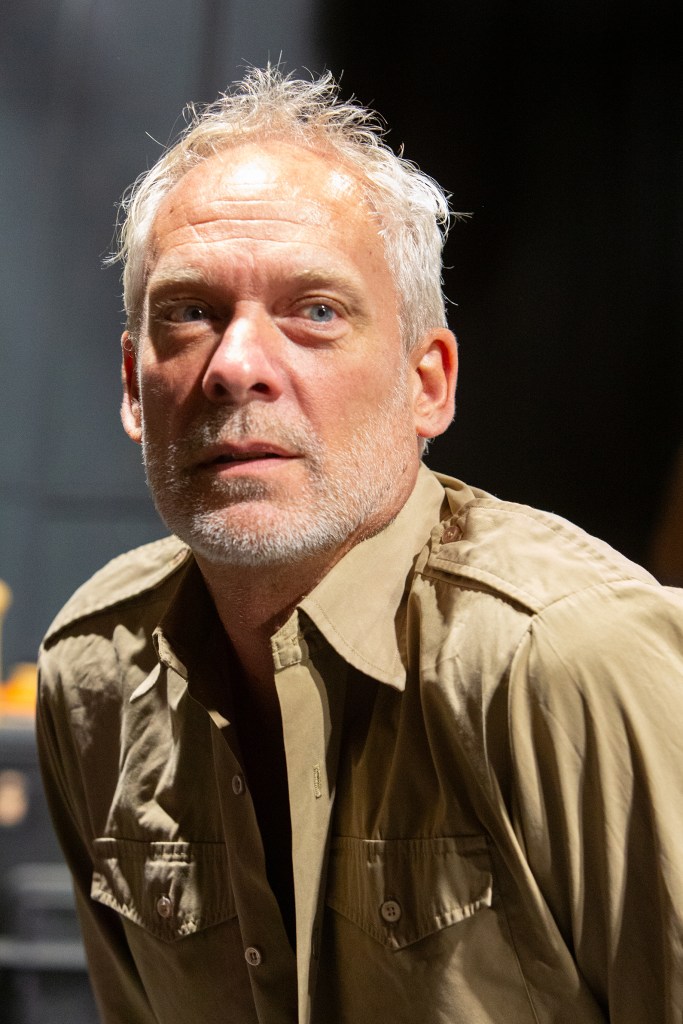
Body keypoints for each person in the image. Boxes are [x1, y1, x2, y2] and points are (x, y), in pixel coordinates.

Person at [36, 67, 683, 1024]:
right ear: (135, 386)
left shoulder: (568, 658)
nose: (236, 367)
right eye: (189, 312)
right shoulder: (93, 669)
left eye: (316, 311)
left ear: (427, 384)